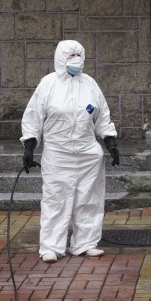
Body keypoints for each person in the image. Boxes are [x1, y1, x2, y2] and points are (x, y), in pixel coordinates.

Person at [20, 40, 120, 263]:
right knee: (56, 199)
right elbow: (33, 116)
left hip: (88, 153)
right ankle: (50, 246)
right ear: (60, 57)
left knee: (89, 199)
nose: (76, 59)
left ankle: (85, 243)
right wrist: (29, 146)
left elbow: (102, 116)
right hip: (57, 153)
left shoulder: (90, 84)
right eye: (71, 55)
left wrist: (110, 142)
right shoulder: (48, 84)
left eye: (79, 54)